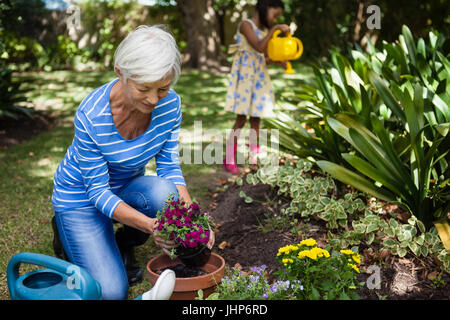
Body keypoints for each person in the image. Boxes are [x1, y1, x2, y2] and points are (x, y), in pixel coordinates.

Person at [50, 25, 214, 300]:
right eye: (143, 89)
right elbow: (98, 192)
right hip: (81, 198)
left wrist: (193, 219)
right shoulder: (91, 114)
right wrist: (152, 226)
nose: (153, 99)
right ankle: (66, 230)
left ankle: (121, 242)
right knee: (111, 292)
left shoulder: (170, 105)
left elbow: (169, 168)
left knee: (165, 193)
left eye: (162, 88)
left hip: (126, 186)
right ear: (120, 73)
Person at [223, 0, 290, 175]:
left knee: (256, 120)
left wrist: (277, 60)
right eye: (274, 15)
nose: (275, 19)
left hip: (258, 79)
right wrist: (274, 31)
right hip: (245, 80)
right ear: (265, 8)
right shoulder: (246, 25)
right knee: (241, 120)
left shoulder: (265, 31)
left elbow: (264, 57)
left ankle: (255, 157)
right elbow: (259, 47)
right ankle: (229, 157)